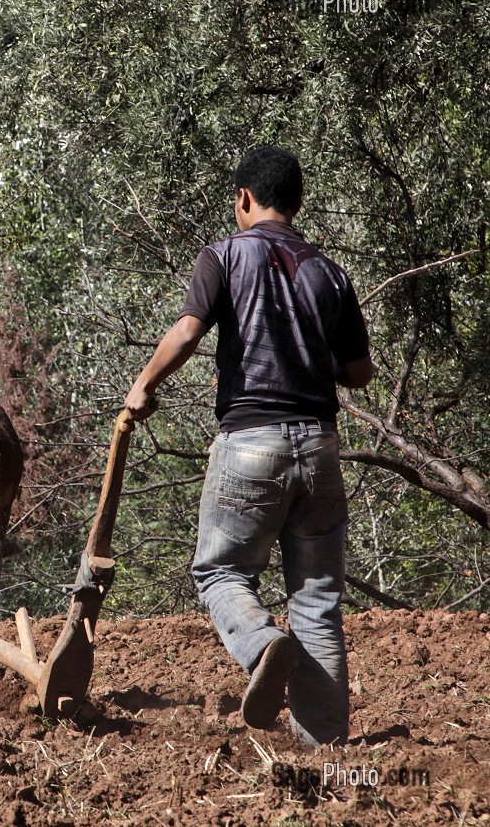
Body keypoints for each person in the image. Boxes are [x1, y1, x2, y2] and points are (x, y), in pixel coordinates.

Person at [124, 145, 373, 747]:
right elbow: (359, 371)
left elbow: (188, 330)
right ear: (298, 203)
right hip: (319, 447)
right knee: (317, 602)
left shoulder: (225, 255)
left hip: (250, 443)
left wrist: (142, 385)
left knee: (221, 572)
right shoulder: (330, 272)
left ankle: (262, 644)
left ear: (243, 199)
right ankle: (327, 753)